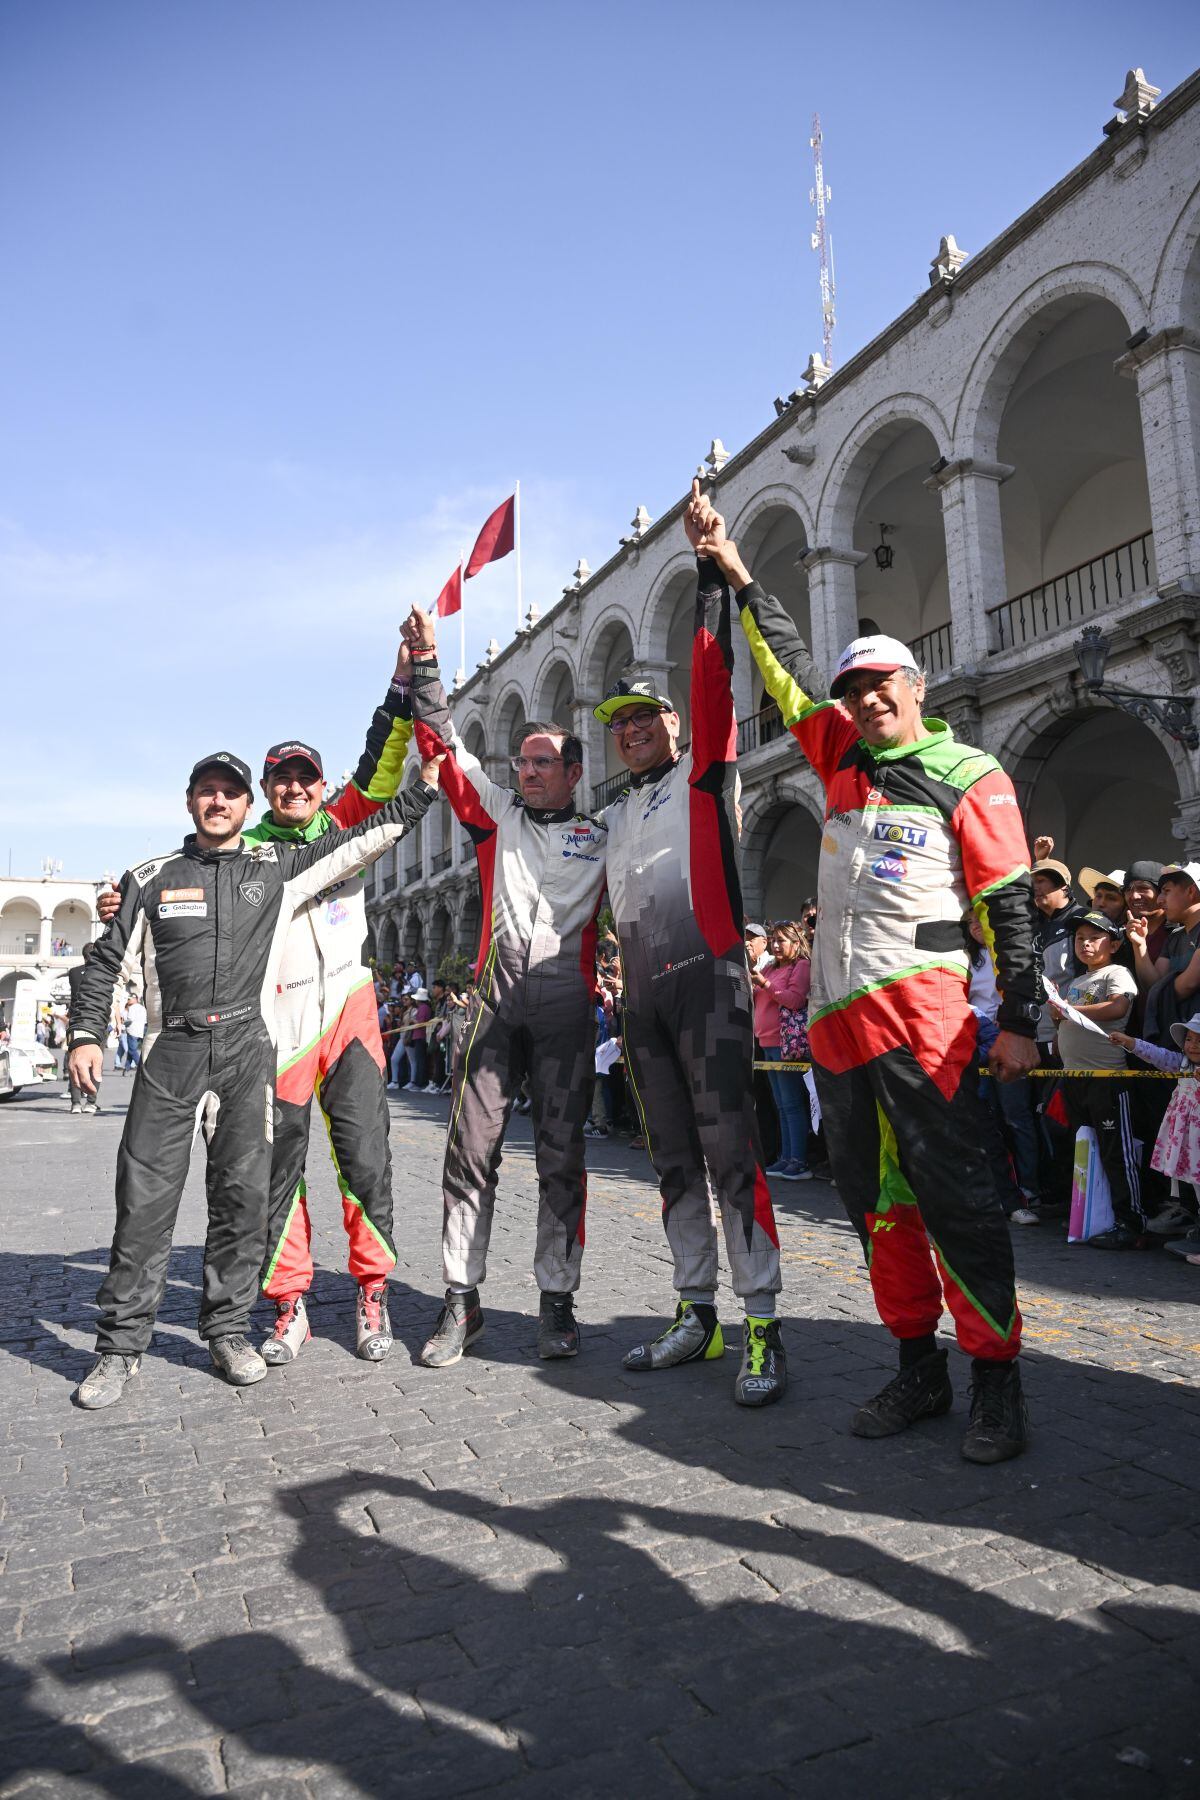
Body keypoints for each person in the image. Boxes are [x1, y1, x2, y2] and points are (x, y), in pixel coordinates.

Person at [690, 483, 1041, 1462]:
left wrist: (1020, 1017)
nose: (867, 699)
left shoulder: (972, 773)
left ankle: (997, 1381)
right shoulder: (836, 750)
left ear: (917, 686)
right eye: (855, 690)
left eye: (883, 683)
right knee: (877, 1207)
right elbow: (787, 666)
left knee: (957, 1200)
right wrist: (735, 570)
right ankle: (918, 1368)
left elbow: (1010, 901)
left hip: (924, 1016)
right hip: (837, 1025)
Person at [65, 746, 439, 1412]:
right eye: (207, 791)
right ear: (190, 801)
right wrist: (87, 1034)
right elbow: (102, 961)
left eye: (229, 793)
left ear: (246, 804)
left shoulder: (277, 867)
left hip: (246, 1052)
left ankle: (228, 1332)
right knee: (144, 1205)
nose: (218, 802)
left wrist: (424, 790)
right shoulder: (149, 878)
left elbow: (362, 841)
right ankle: (119, 1349)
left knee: (241, 1203)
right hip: (171, 1053)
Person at [593, 484, 786, 1409]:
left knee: (732, 1156)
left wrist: (711, 568)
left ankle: (763, 1325)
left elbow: (714, 676)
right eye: (620, 726)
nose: (634, 731)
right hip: (645, 1007)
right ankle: (696, 1313)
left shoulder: (705, 774)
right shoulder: (614, 815)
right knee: (671, 1161)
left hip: (711, 987)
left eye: (647, 718)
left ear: (674, 727)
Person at [405, 607, 606, 1366]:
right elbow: (442, 745)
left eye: (542, 762)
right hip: (494, 1003)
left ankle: (558, 1302)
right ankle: (461, 1302)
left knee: (562, 1158)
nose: (527, 771)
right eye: (521, 761)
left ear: (574, 772)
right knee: (470, 1153)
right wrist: (427, 664)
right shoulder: (495, 815)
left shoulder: (604, 836)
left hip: (566, 1010)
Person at [1050, 911, 1143, 1248]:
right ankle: (1092, 1214)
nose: (1085, 943)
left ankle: (1131, 1223)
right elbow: (1063, 1023)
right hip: (1074, 1079)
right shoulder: (1076, 983)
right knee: (1085, 1152)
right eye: (1079, 938)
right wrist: (1057, 1010)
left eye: (1094, 938)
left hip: (1107, 1078)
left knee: (1117, 1152)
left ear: (1114, 945)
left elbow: (1118, 1008)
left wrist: (1067, 1010)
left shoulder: (1117, 973)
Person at [1110, 1011, 1200, 1260]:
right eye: (1189, 1039)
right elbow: (1159, 1056)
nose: (1192, 1046)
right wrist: (1131, 1043)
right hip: (1188, 1139)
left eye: (1199, 1040)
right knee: (1195, 1184)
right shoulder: (1182, 1063)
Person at [752, 922, 812, 1181]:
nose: (776, 945)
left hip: (785, 1043)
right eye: (773, 940)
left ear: (796, 943)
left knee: (792, 1104)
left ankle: (799, 1161)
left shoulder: (801, 966)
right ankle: (786, 1158)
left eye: (782, 941)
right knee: (781, 1105)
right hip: (766, 1042)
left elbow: (795, 1000)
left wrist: (765, 984)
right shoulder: (770, 967)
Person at [67, 944, 102, 1116]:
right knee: (95, 1062)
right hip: (96, 1021)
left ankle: (75, 1104)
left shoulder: (73, 972)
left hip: (76, 1020)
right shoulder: (100, 971)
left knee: (76, 1061)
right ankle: (91, 1102)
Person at [122, 992, 147, 1072]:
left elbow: (130, 1020)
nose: (128, 1000)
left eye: (129, 999)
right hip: (140, 1032)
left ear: (135, 999)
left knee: (132, 1051)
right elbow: (145, 1020)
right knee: (131, 1049)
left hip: (132, 1031)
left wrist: (122, 1024)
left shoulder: (132, 1008)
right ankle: (127, 1068)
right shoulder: (142, 1008)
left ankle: (141, 1068)